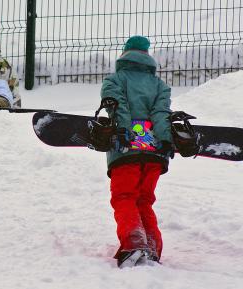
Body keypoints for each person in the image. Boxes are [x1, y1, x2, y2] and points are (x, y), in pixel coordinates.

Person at [100, 35, 174, 268]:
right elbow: (161, 114)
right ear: (147, 57)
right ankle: (152, 247)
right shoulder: (160, 85)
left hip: (126, 152)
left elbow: (118, 105)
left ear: (124, 54)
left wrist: (123, 130)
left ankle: (134, 243)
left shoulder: (114, 80)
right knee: (144, 200)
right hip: (154, 154)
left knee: (124, 197)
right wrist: (164, 139)